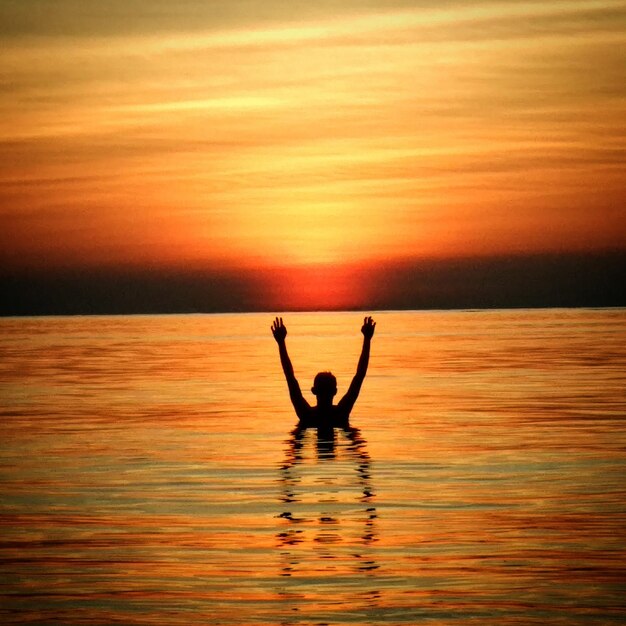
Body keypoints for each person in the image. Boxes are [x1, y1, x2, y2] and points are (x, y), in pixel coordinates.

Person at [271, 316, 376, 429]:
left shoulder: (306, 414)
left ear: (313, 390)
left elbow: (290, 377)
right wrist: (367, 339)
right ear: (335, 391)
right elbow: (359, 376)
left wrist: (281, 343)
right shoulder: (341, 413)